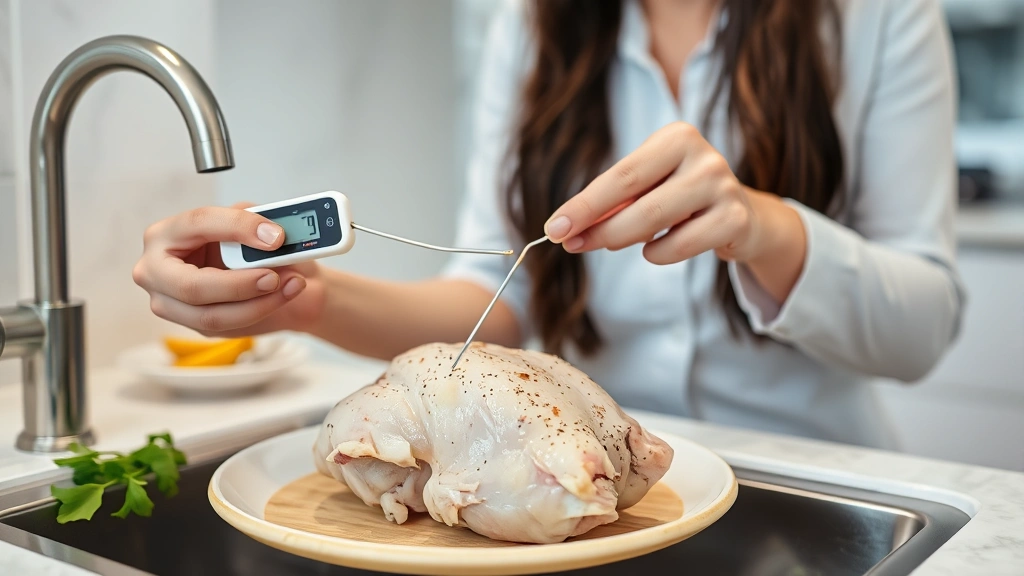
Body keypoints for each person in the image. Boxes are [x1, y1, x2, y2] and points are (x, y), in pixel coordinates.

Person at [133, 0, 963, 448]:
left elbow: (921, 330)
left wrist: (762, 226)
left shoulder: (877, 17)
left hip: (813, 474)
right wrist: (300, 297)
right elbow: (497, 297)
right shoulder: (532, 29)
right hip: (582, 472)